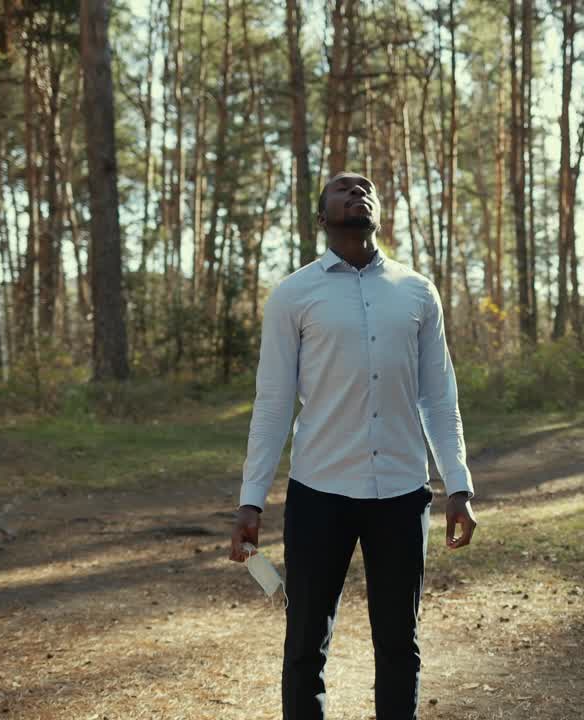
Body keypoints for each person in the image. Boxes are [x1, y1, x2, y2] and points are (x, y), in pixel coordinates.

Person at [229, 171, 478, 720]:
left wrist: (457, 485)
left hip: (402, 492)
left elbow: (439, 397)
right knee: (304, 648)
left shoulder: (417, 291)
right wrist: (251, 500)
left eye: (365, 187)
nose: (357, 191)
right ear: (322, 218)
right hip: (320, 494)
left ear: (379, 213)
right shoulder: (294, 294)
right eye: (342, 188)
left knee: (399, 645)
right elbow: (272, 404)